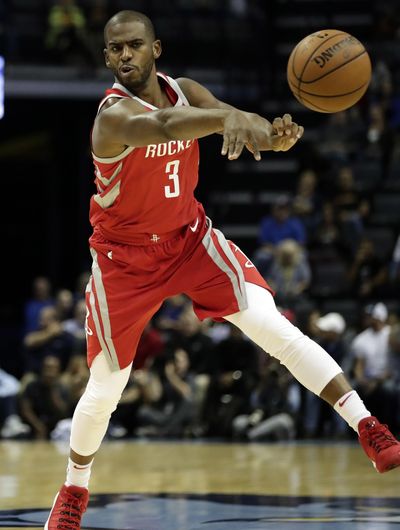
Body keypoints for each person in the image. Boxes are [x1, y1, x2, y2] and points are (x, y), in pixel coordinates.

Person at [45, 10, 400, 530]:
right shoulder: (111, 118)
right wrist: (227, 120)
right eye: (116, 48)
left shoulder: (186, 89)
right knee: (106, 385)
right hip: (125, 260)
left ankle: (368, 426)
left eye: (135, 46)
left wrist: (270, 135)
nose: (125, 55)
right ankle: (74, 486)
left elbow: (235, 120)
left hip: (189, 240)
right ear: (106, 57)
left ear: (155, 49)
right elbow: (166, 126)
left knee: (271, 325)